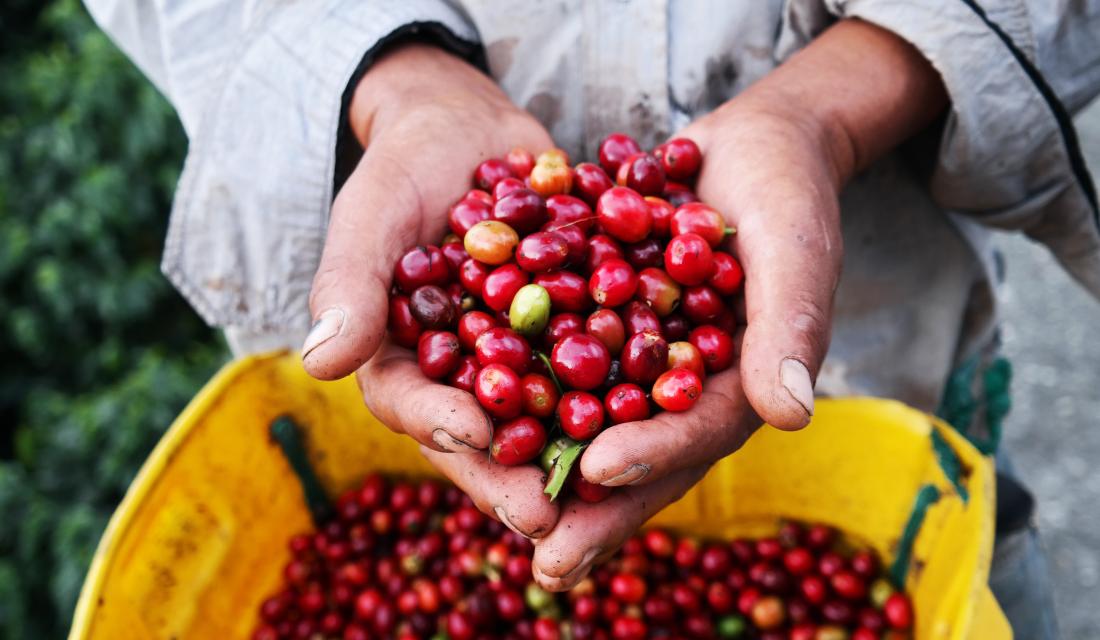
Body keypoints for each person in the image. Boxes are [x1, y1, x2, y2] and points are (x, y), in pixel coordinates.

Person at [85, 2, 1100, 637]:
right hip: (413, 273)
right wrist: (391, 75)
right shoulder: (549, 302)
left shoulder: (609, 297)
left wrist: (826, 110)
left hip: (880, 335)